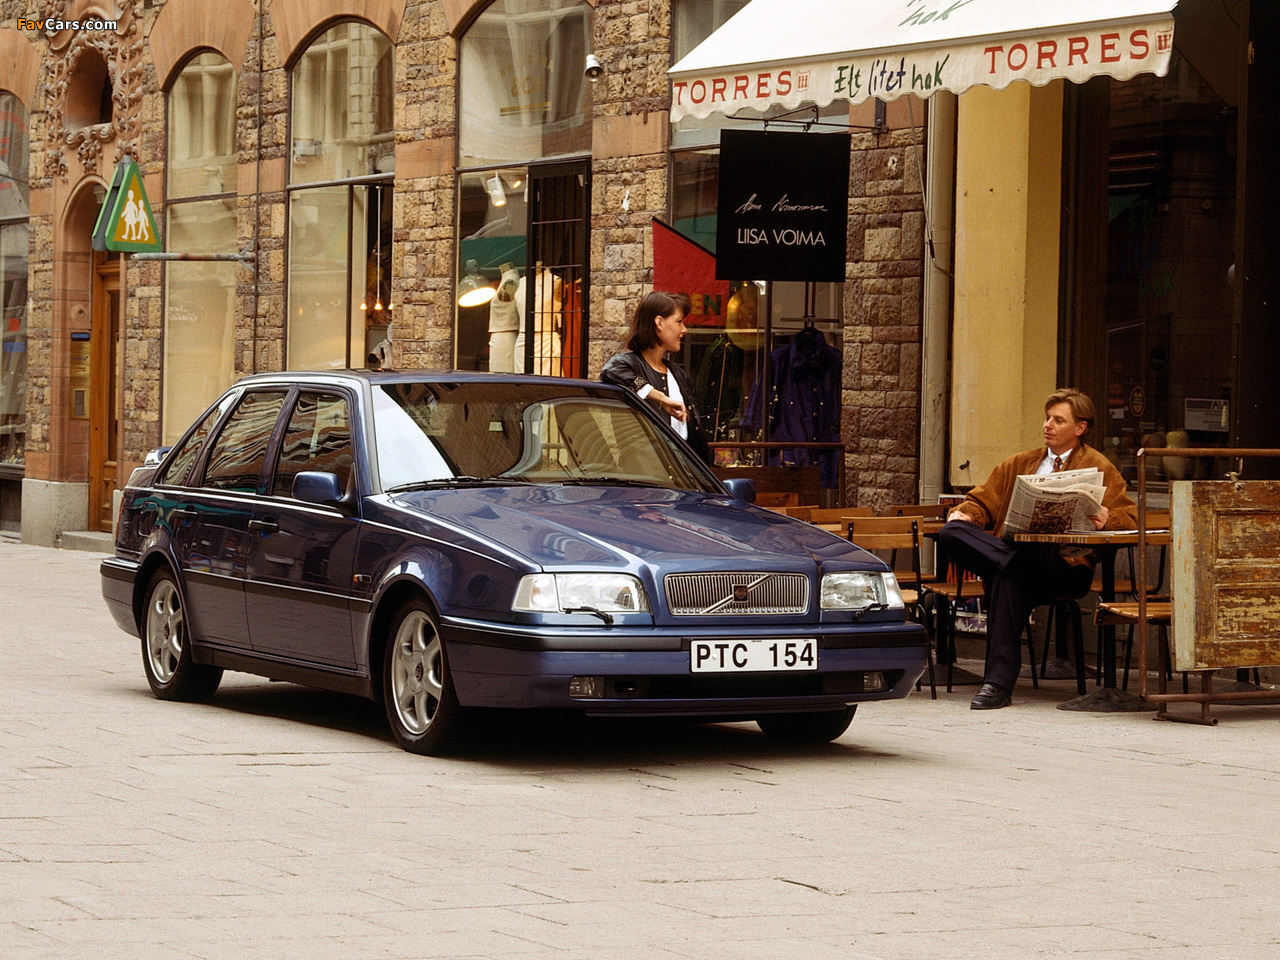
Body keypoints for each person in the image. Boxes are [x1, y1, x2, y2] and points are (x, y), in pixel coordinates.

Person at [938, 388, 1137, 709]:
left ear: (1080, 427)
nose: (1048, 425)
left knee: (1006, 575)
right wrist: (967, 513)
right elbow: (980, 500)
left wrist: (1107, 518)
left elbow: (1130, 517)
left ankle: (997, 685)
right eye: (1047, 418)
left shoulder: (1098, 466)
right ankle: (996, 685)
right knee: (953, 532)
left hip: (1064, 567)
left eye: (1058, 420)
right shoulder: (1021, 462)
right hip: (1020, 559)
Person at [601, 291, 709, 463]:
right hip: (645, 474)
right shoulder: (629, 365)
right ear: (659, 322)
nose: (684, 329)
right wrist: (660, 398)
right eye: (679, 321)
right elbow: (611, 370)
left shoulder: (679, 375)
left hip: (684, 473)